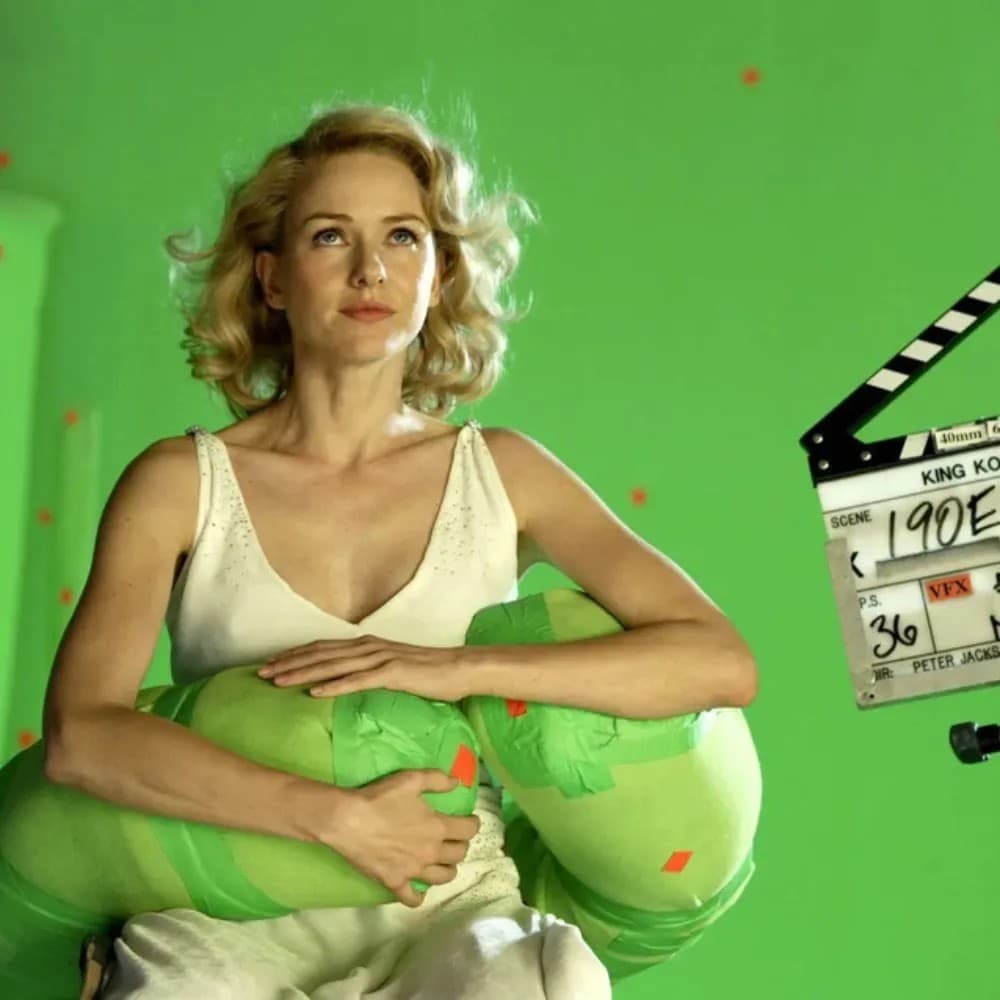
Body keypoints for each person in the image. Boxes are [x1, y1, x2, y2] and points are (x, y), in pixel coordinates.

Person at [42, 101, 756, 999]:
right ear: (272, 278)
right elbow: (81, 735)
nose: (370, 269)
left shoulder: (504, 473)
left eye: (403, 237)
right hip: (225, 902)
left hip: (449, 907)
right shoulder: (181, 483)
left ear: (437, 273)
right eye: (330, 236)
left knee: (550, 980)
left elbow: (718, 661)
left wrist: (454, 670)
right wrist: (332, 817)